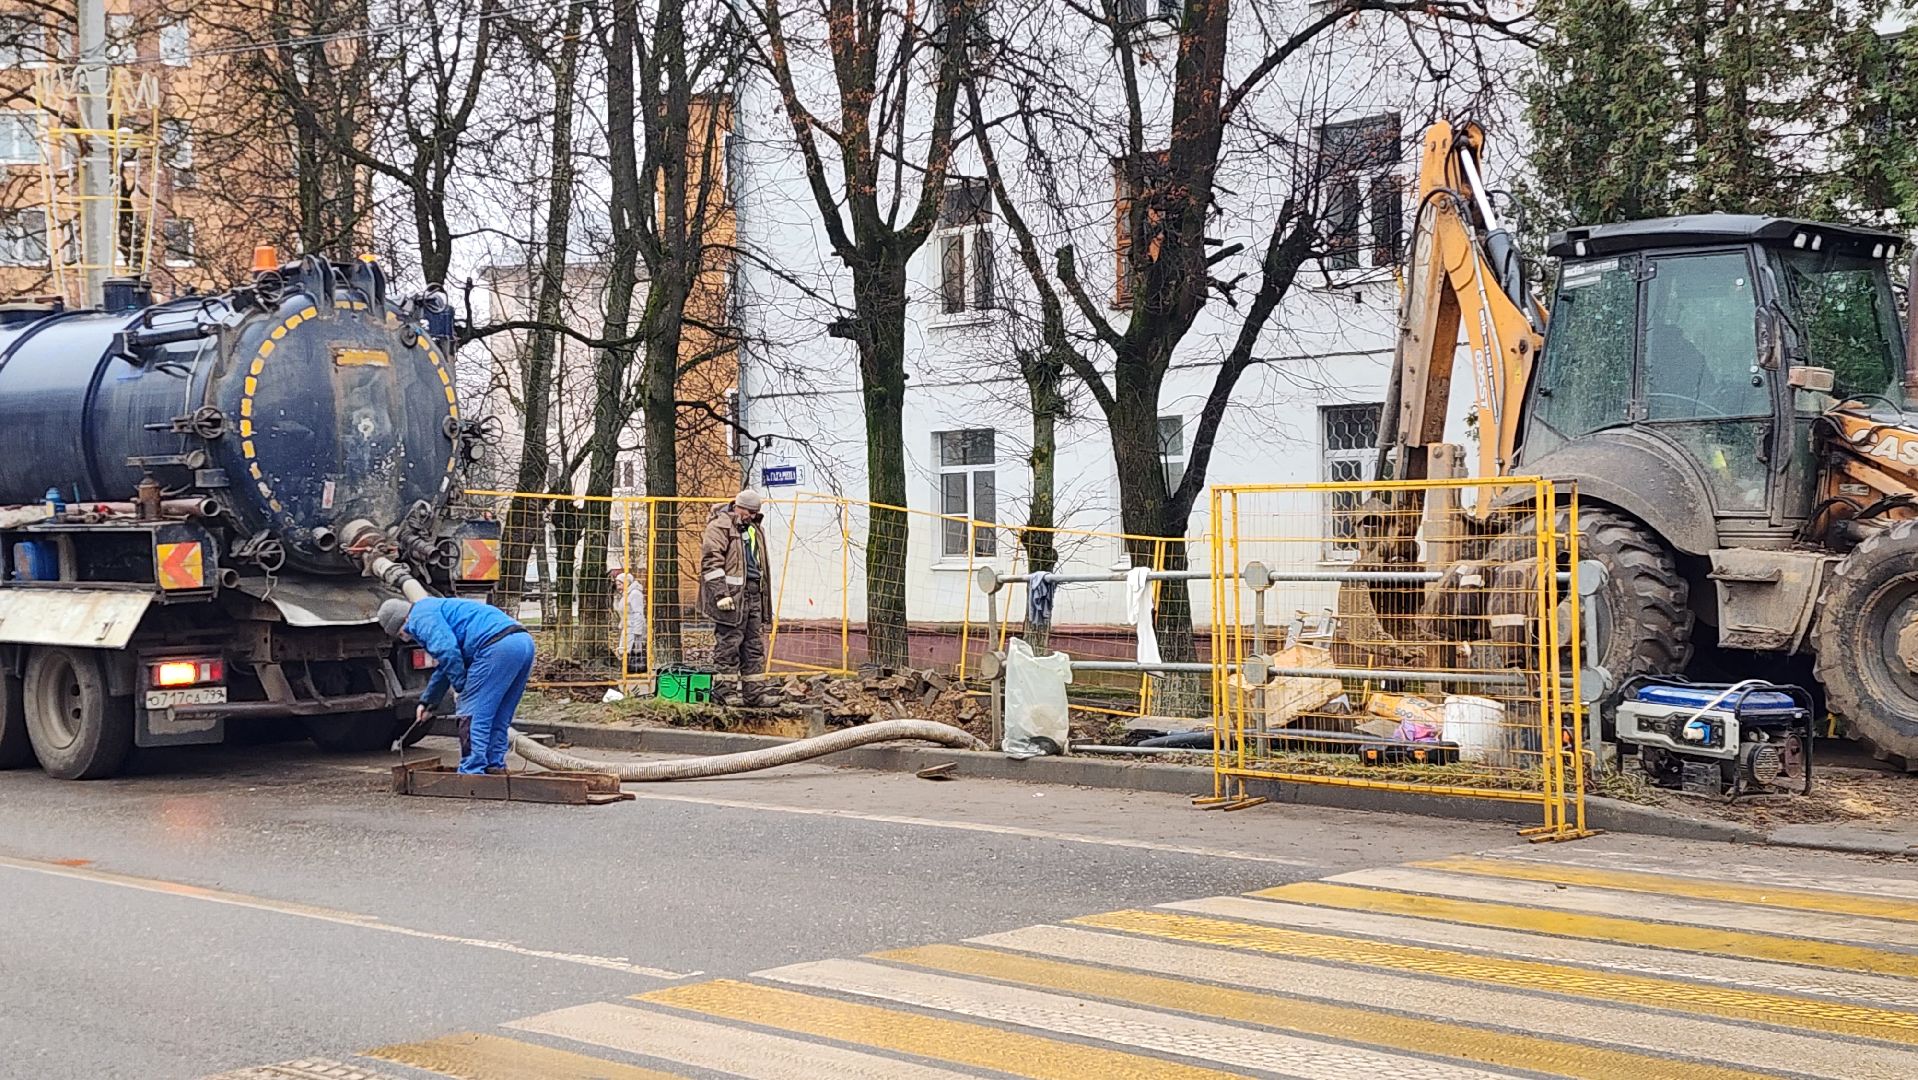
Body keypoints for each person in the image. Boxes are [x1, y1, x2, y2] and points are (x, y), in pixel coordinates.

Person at [378, 595, 534, 775]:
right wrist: (429, 703)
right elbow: (445, 664)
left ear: (402, 620)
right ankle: (494, 766)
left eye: (401, 633)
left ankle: (472, 771)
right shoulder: (432, 607)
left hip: (495, 648)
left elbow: (448, 653)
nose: (406, 638)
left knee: (472, 715)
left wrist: (461, 688)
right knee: (499, 715)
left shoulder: (419, 619)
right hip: (523, 643)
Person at [699, 488, 774, 706]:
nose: (751, 516)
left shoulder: (754, 529)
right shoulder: (719, 527)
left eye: (754, 512)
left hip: (752, 595)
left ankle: (755, 695)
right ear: (737, 507)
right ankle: (725, 694)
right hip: (731, 598)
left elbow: (760, 566)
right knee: (729, 646)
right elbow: (711, 563)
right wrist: (721, 594)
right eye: (748, 511)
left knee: (753, 647)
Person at [610, 565, 647, 676]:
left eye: (620, 584)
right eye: (617, 585)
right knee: (624, 649)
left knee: (631, 649)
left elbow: (638, 613)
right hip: (627, 626)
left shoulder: (635, 594)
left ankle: (633, 670)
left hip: (633, 627)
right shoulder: (626, 594)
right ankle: (628, 669)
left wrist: (637, 631)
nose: (618, 587)